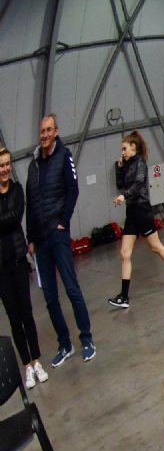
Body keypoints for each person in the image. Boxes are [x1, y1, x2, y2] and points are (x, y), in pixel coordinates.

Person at [26, 114, 94, 366]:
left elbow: (73, 190)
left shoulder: (64, 156)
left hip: (57, 234)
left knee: (71, 288)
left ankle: (86, 339)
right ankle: (64, 344)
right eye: (41, 131)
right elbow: (30, 203)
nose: (44, 135)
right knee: (50, 297)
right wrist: (30, 237)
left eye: (48, 130)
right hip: (40, 240)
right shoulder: (33, 165)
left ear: (56, 131)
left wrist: (63, 222)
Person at [106, 130, 164, 308]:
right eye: (121, 149)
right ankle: (124, 296)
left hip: (142, 211)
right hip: (131, 214)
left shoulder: (140, 163)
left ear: (133, 147)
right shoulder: (128, 164)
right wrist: (120, 168)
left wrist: (124, 196)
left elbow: (137, 184)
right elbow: (120, 184)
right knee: (125, 253)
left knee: (156, 247)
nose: (122, 152)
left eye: (124, 148)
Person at [0, 147, 48, 389]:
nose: (5, 169)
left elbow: (15, 216)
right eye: (1, 165)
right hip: (1, 268)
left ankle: (37, 361)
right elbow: (9, 219)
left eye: (7, 164)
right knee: (14, 318)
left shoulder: (17, 190)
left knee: (27, 314)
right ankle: (27, 365)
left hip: (19, 261)